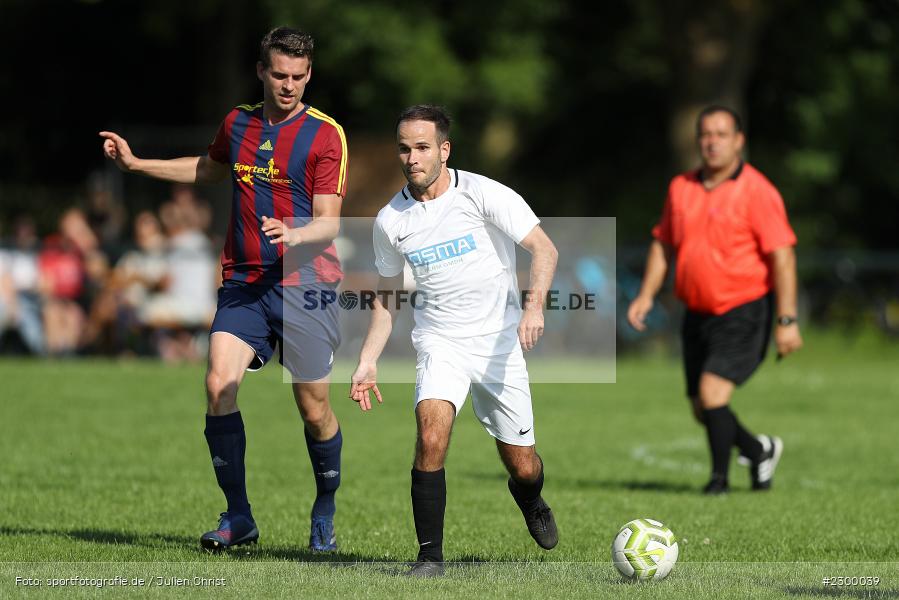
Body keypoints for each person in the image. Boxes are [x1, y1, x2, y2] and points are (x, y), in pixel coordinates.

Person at [100, 26, 349, 551]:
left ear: (310, 75)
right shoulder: (238, 123)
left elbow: (330, 221)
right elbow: (209, 169)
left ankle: (325, 504)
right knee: (218, 386)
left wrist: (296, 232)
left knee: (313, 408)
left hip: (306, 284)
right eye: (279, 75)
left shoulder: (326, 134)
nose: (288, 86)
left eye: (299, 77)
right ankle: (239, 517)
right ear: (261, 71)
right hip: (244, 283)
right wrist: (136, 164)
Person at [349, 105, 560, 577]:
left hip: (499, 346)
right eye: (404, 148)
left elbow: (544, 248)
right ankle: (430, 558)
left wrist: (534, 306)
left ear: (444, 149)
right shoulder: (391, 220)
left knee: (523, 465)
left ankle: (530, 499)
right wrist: (367, 360)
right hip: (440, 343)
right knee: (430, 434)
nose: (411, 157)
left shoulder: (483, 194)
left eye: (422, 147)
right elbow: (387, 297)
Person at [627, 105, 803, 495]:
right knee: (701, 408)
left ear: (739, 140)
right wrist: (645, 294)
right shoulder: (681, 188)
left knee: (712, 394)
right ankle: (759, 451)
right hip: (696, 312)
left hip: (744, 308)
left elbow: (783, 256)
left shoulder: (758, 191)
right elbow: (664, 243)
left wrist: (787, 320)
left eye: (721, 134)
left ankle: (718, 483)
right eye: (706, 134)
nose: (712, 142)